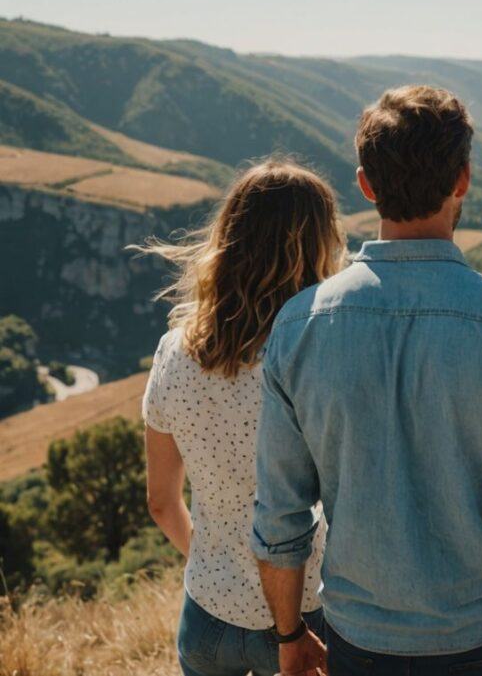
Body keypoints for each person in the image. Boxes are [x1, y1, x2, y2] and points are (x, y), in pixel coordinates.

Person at [251, 85, 482, 676]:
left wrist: (289, 635)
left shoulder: (299, 327)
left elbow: (281, 519)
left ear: (366, 185)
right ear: (462, 180)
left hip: (360, 644)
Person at [138, 159, 347, 676]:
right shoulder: (319, 352)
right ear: (317, 247)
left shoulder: (173, 352)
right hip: (307, 612)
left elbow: (161, 504)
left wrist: (215, 566)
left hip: (208, 616)